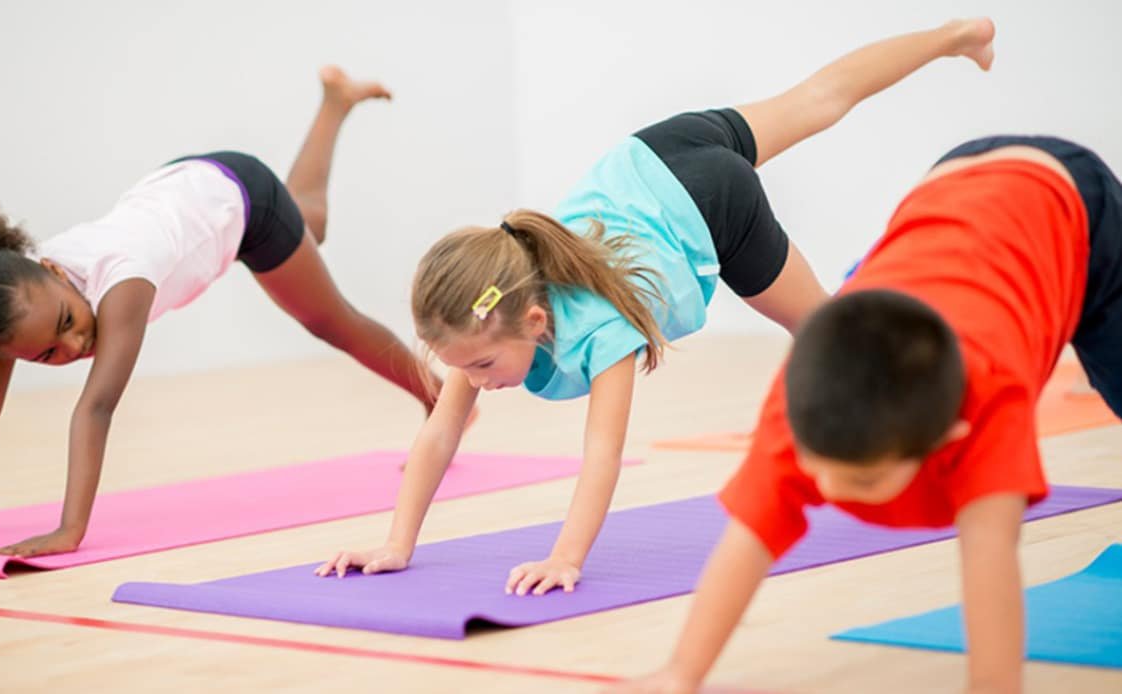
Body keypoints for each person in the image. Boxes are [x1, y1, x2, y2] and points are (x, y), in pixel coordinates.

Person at [316, 19, 998, 597]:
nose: (477, 380)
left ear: (532, 321)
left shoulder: (597, 328)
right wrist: (395, 543)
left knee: (826, 332)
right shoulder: (486, 315)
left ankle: (883, 282)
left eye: (484, 365)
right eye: (464, 367)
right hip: (652, 155)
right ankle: (957, 35)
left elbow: (602, 455)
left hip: (712, 203)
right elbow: (440, 433)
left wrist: (567, 558)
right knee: (817, 99)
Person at [610, 133, 1122, 693]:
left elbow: (990, 558)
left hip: (1072, 203)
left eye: (864, 477)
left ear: (948, 437)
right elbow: (747, 538)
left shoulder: (987, 404)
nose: (829, 488)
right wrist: (681, 673)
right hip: (949, 183)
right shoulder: (810, 393)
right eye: (815, 464)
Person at [0, 67, 442, 558]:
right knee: (311, 221)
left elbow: (95, 407)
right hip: (184, 187)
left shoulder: (123, 282)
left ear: (52, 269)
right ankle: (336, 102)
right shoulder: (14, 305)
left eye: (68, 324)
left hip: (242, 199)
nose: (73, 346)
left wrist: (70, 530)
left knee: (330, 319)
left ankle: (439, 399)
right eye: (47, 354)